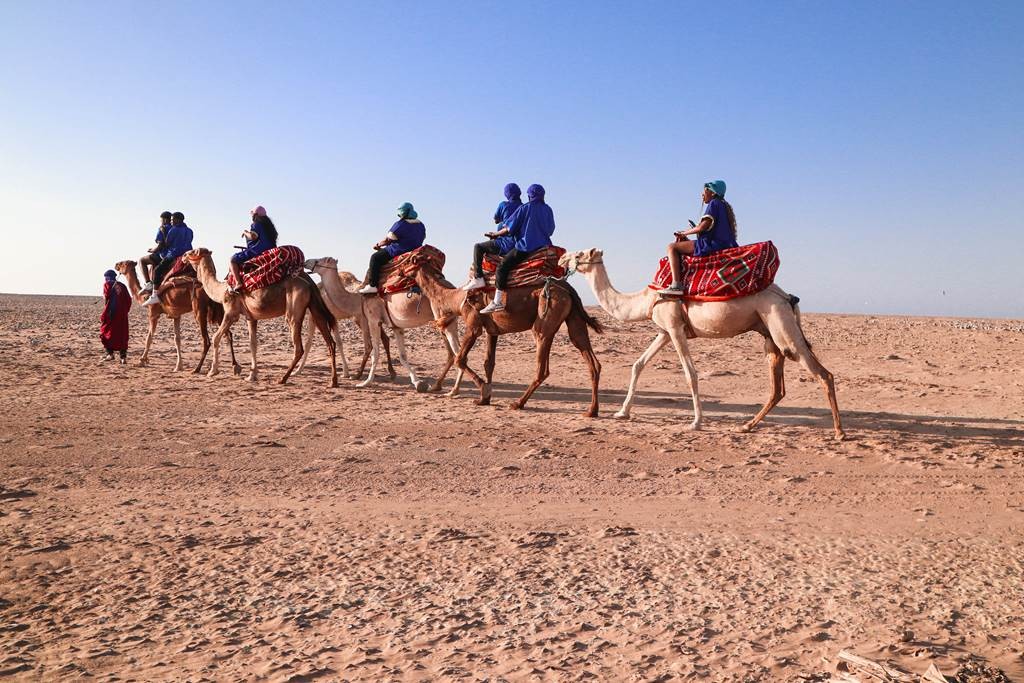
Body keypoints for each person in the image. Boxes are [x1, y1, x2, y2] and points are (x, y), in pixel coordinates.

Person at [479, 183, 555, 314]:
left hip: (527, 246)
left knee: (502, 267)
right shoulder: (548, 209)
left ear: (529, 196)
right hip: (544, 246)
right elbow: (551, 230)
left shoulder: (525, 208)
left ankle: (497, 301)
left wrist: (495, 234)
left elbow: (509, 228)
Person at [661, 180, 739, 296]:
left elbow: (702, 227)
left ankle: (676, 285)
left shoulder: (714, 203)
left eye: (704, 191)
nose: (702, 194)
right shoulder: (723, 206)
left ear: (712, 193)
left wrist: (684, 233)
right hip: (723, 244)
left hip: (712, 244)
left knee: (672, 247)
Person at [461, 183, 523, 291]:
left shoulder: (503, 205)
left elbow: (496, 220)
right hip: (519, 244)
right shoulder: (524, 207)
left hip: (506, 243)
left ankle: (478, 278)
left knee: (478, 247)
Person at [356, 202, 426, 294]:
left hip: (398, 251)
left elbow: (387, 240)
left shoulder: (400, 224)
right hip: (414, 251)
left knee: (375, 258)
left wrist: (378, 245)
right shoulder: (421, 225)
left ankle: (372, 286)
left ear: (403, 213)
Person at [143, 211, 194, 305]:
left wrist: (163, 232)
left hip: (174, 254)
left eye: (172, 220)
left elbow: (166, 244)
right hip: (187, 254)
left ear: (178, 220)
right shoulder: (190, 230)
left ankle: (154, 295)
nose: (171, 222)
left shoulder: (173, 230)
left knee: (157, 270)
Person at [228, 206, 279, 293]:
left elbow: (253, 236)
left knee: (232, 259)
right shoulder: (270, 227)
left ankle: (238, 283)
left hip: (257, 251)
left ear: (255, 215)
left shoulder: (256, 224)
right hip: (271, 251)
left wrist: (245, 232)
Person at [100, 269, 132, 364]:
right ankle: (123, 357)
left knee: (106, 332)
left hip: (111, 313)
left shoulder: (107, 284)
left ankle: (110, 354)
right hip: (122, 314)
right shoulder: (122, 285)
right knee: (122, 334)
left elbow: (106, 296)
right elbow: (128, 300)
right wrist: (124, 311)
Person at [140, 211, 173, 291]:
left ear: (165, 220)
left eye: (161, 220)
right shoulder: (175, 229)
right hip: (176, 254)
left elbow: (160, 245)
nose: (161, 221)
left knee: (142, 260)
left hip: (165, 255)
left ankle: (148, 283)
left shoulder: (162, 228)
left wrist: (153, 250)